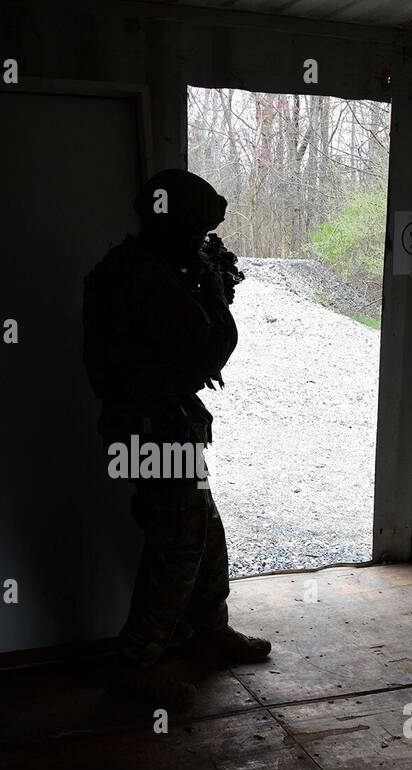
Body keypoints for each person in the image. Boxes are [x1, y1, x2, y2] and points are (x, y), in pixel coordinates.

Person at [82, 169, 271, 711]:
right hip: (150, 429)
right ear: (172, 225)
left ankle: (210, 630)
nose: (199, 242)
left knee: (202, 529)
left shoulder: (126, 267)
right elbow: (213, 346)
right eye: (194, 231)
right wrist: (213, 291)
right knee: (179, 544)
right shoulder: (148, 278)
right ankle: (136, 668)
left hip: (149, 425)